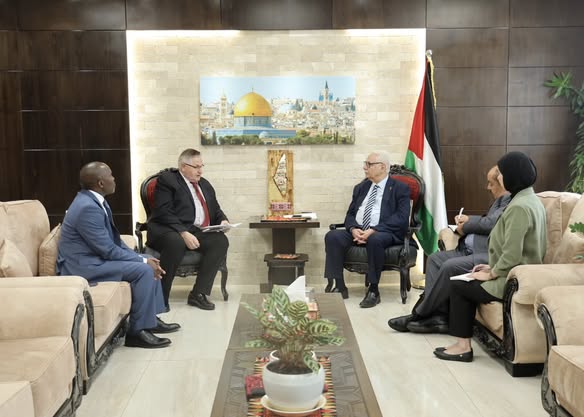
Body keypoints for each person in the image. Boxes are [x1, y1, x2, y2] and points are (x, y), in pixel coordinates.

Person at [434, 151, 546, 363]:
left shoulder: (519, 207)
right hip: (518, 272)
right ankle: (461, 343)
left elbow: (512, 254)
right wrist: (490, 266)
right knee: (465, 279)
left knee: (459, 286)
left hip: (514, 279)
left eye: (501, 173)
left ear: (512, 174)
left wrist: (492, 273)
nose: (499, 177)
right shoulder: (531, 199)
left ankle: (462, 347)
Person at [57, 162, 180, 349]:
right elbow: (107, 249)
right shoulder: (87, 208)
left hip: (94, 259)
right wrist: (143, 261)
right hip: (83, 266)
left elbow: (114, 240)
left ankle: (150, 320)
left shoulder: (95, 201)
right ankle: (137, 333)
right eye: (111, 175)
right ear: (100, 183)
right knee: (144, 270)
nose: (114, 179)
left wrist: (142, 257)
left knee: (148, 261)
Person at [388, 166, 511, 333]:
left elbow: (492, 223)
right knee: (435, 259)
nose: (487, 187)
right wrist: (465, 224)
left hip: (485, 254)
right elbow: (487, 221)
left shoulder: (510, 201)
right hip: (468, 250)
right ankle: (439, 316)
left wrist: (466, 225)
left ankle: (418, 314)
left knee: (448, 266)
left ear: (502, 182)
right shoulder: (499, 201)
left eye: (491, 183)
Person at [323, 151, 410, 308]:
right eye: (365, 164)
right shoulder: (361, 188)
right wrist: (353, 229)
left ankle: (373, 290)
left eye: (369, 164)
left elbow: (401, 218)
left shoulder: (400, 188)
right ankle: (340, 286)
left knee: (375, 239)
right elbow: (350, 214)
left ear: (382, 167)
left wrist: (374, 230)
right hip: (359, 231)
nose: (364, 167)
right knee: (332, 236)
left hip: (385, 233)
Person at [147, 148, 229, 311]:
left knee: (220, 241)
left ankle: (198, 294)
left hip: (195, 230)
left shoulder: (204, 184)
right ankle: (160, 298)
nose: (200, 171)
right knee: (176, 242)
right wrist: (183, 233)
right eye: (196, 167)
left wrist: (223, 220)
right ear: (183, 167)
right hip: (167, 229)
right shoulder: (167, 180)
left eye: (201, 166)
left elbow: (215, 209)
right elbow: (163, 211)